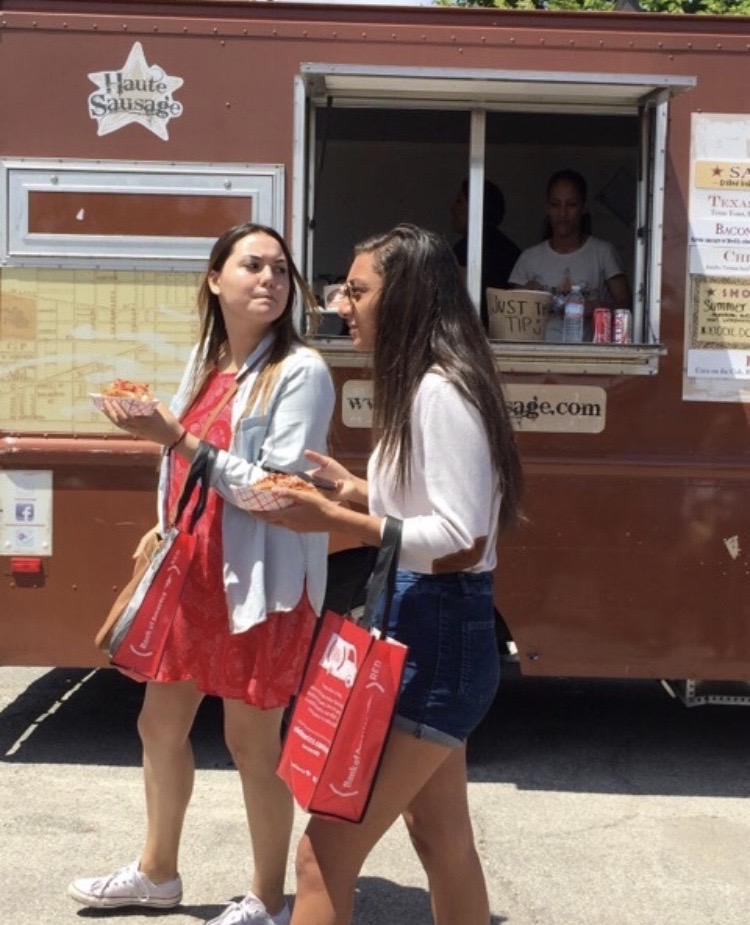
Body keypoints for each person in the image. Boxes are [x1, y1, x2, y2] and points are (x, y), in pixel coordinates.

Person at [256, 223, 524, 925]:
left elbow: (462, 540)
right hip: (430, 628)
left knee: (321, 855)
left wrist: (338, 522)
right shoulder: (425, 383)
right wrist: (356, 492)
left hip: (438, 633)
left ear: (403, 295)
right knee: (441, 839)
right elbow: (434, 510)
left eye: (357, 289)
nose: (341, 301)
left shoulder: (441, 390)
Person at [68, 222, 336, 925]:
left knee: (252, 741)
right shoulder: (209, 360)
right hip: (190, 569)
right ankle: (157, 872)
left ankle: (267, 897)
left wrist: (176, 436)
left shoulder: (301, 371)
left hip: (259, 578)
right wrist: (163, 514)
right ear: (215, 279)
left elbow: (280, 489)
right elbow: (181, 465)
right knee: (159, 724)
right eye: (253, 265)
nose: (271, 279)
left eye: (281, 269)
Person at [509, 168, 632, 341]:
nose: (562, 213)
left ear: (584, 207)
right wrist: (524, 294)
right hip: (538, 355)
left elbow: (625, 306)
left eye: (571, 204)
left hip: (590, 359)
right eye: (555, 204)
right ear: (547, 208)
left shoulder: (603, 252)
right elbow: (510, 314)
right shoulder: (529, 258)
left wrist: (595, 308)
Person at [451, 177, 521, 331]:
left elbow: (456, 297)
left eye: (459, 201)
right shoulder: (511, 249)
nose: (453, 208)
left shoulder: (467, 247)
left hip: (474, 334)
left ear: (476, 206)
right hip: (504, 333)